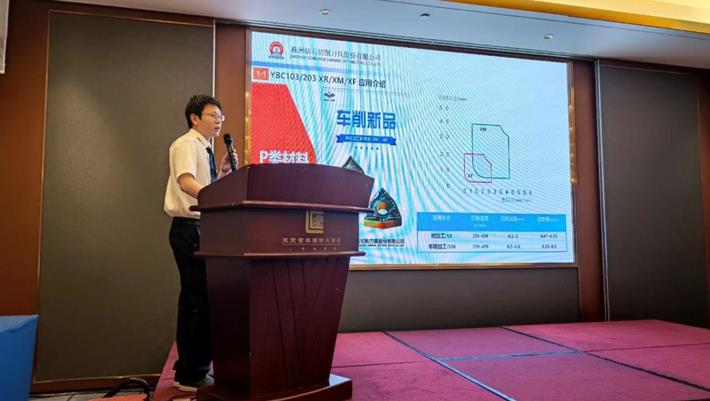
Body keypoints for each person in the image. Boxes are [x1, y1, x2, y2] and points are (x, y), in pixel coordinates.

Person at [163, 95, 235, 392]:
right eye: (213, 115)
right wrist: (214, 195)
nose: (219, 120)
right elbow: (186, 182)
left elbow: (204, 190)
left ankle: (192, 369)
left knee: (197, 300)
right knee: (198, 301)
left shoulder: (204, 148)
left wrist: (223, 174)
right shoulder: (186, 144)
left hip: (201, 229)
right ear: (194, 118)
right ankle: (191, 374)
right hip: (189, 230)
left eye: (221, 116)